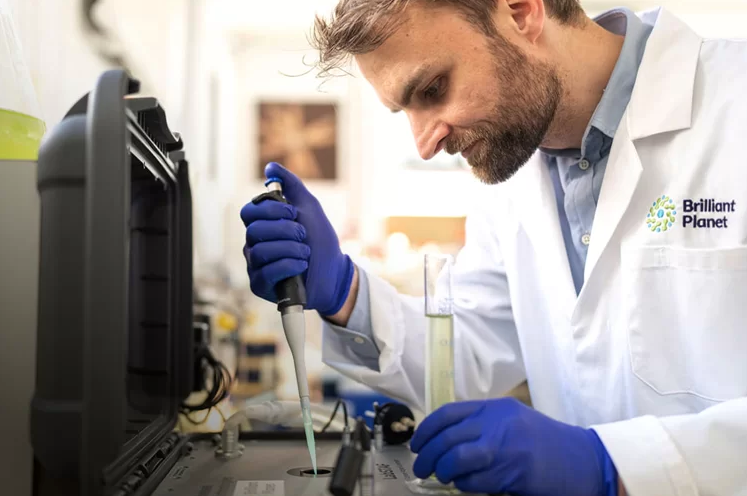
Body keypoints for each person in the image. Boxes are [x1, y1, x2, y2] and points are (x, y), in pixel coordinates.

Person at [240, 1, 747, 495]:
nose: (424, 143)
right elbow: (468, 349)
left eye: (433, 88)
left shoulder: (733, 107)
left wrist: (613, 465)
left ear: (521, 11)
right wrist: (345, 294)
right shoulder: (514, 170)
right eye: (404, 111)